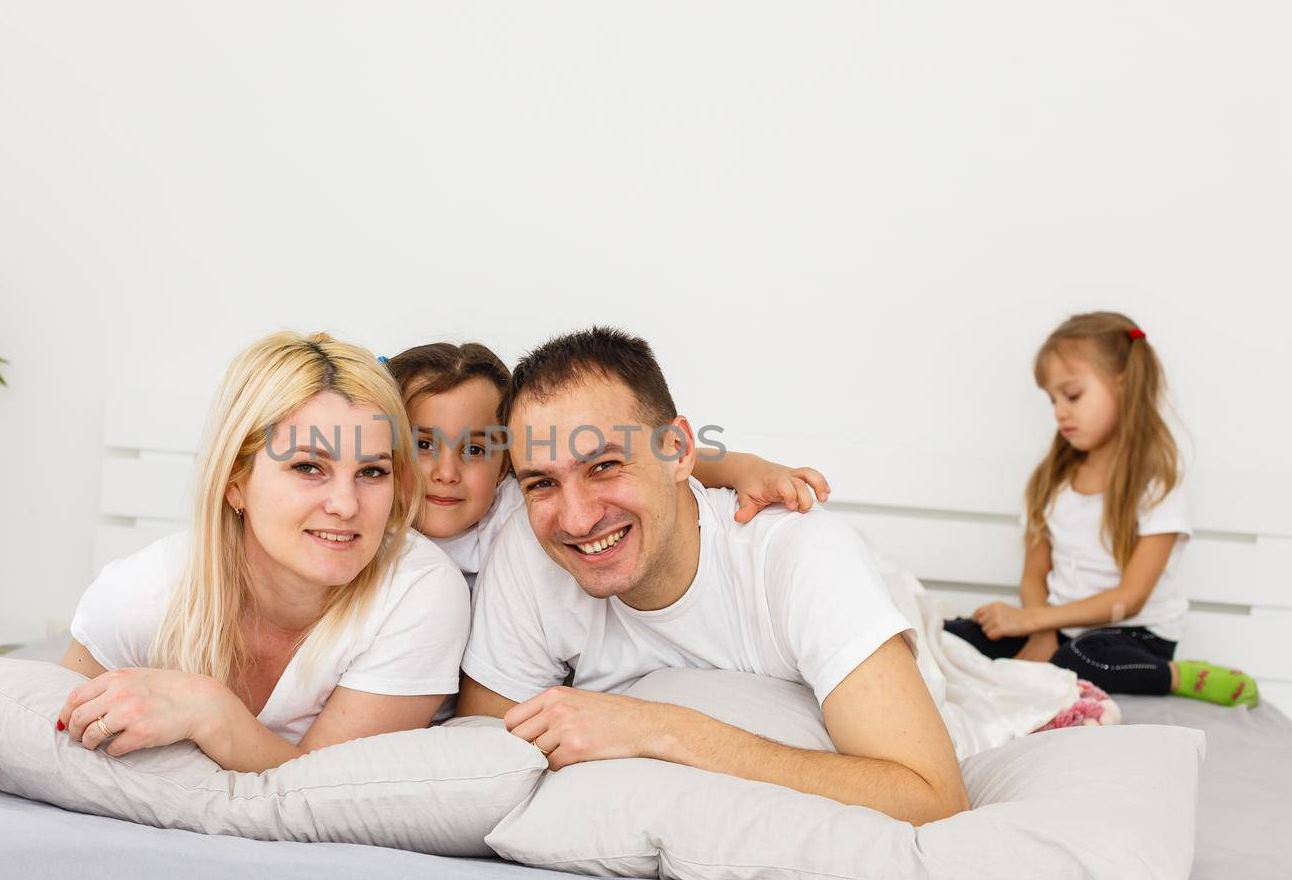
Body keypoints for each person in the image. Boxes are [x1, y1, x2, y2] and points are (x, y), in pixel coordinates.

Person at [456, 326, 969, 826]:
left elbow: (932, 798)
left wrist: (660, 728)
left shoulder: (800, 555)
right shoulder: (529, 545)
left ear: (677, 452)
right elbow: (480, 756)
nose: (576, 519)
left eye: (605, 466)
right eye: (542, 482)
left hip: (893, 606)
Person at [55, 331, 472, 770]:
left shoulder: (419, 591)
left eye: (372, 472)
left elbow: (327, 793)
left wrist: (210, 710)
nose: (346, 506)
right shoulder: (142, 593)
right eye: (308, 467)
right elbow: (45, 735)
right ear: (236, 480)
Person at [944, 312, 1259, 707]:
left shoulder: (1156, 483)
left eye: (1072, 395)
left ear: (1124, 386)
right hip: (1057, 625)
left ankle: (1180, 675)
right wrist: (1038, 631)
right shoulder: (1052, 481)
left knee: (1081, 659)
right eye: (1052, 399)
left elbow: (1130, 598)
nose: (1060, 411)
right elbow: (1034, 575)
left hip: (1135, 633)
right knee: (954, 634)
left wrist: (1033, 621)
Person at [381, 341, 831, 589]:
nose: (445, 472)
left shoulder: (522, 514)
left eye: (475, 450)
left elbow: (645, 456)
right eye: (422, 444)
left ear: (507, 468)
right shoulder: (366, 524)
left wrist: (740, 467)